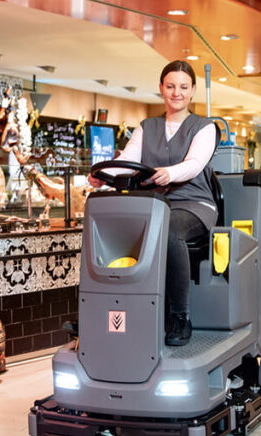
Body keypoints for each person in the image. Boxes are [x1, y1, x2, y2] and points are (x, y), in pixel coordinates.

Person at [88, 60, 218, 347]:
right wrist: (103, 174)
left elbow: (195, 164)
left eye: (183, 87)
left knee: (168, 232)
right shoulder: (148, 126)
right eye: (170, 86)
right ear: (161, 89)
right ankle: (122, 310)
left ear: (193, 90)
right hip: (156, 204)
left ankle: (180, 316)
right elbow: (128, 158)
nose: (177, 93)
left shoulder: (204, 128)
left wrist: (169, 173)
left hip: (195, 204)